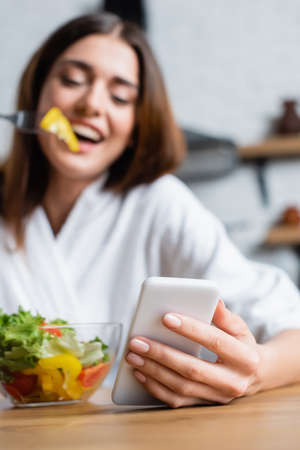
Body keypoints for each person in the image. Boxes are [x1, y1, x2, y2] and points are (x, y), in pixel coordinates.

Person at [1, 13, 300, 409]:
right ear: (36, 95)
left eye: (120, 96)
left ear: (136, 125)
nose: (91, 104)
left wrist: (256, 371)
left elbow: (289, 324)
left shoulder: (159, 203)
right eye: (72, 80)